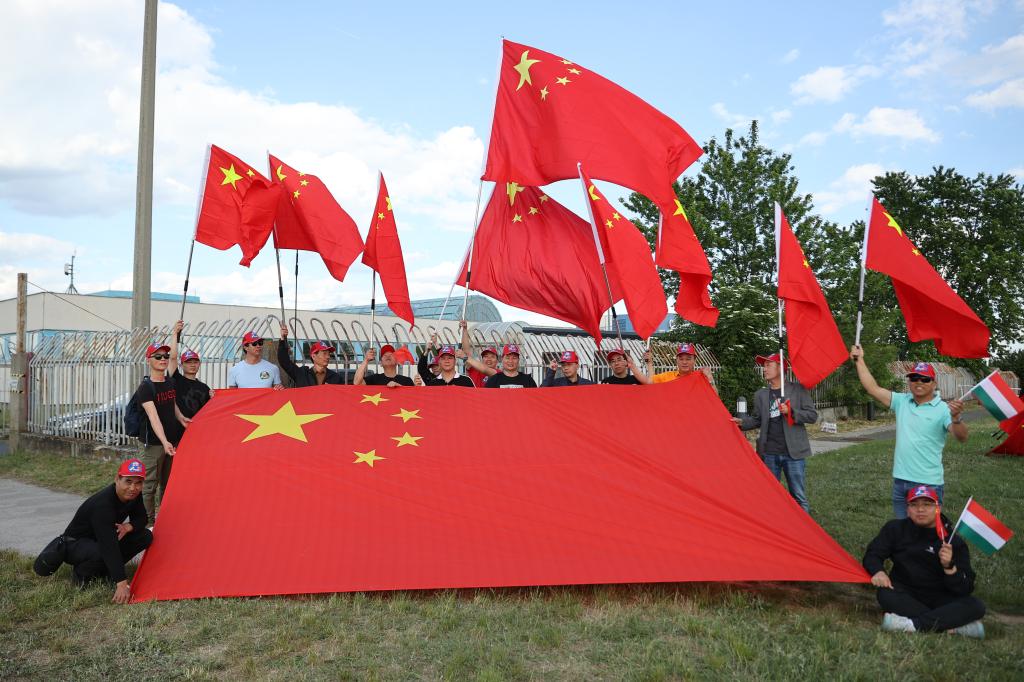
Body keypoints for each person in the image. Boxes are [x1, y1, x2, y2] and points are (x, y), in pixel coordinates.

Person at [850, 346, 968, 518]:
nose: (918, 382)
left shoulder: (943, 409)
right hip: (900, 481)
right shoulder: (901, 401)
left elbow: (962, 436)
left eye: (924, 379)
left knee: (926, 535)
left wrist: (956, 417)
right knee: (903, 532)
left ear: (934, 384)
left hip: (928, 483)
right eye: (914, 378)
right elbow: (873, 388)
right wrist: (859, 360)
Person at [863, 485, 986, 637]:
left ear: (937, 508)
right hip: (905, 593)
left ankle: (911, 624)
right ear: (907, 509)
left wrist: (949, 567)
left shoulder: (953, 541)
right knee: (885, 594)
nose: (920, 510)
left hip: (941, 596)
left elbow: (965, 588)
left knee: (976, 606)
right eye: (914, 505)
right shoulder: (895, 529)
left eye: (927, 504)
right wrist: (879, 572)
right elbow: (872, 554)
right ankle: (951, 627)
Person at [50, 458, 152, 603]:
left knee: (145, 536)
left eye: (138, 483)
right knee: (104, 550)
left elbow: (142, 518)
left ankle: (105, 571)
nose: (133, 488)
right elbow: (108, 545)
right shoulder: (103, 504)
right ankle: (82, 573)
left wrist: (127, 527)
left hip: (100, 539)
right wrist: (122, 583)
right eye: (128, 481)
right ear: (117, 479)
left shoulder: (134, 494)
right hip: (74, 545)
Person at [733, 353, 817, 513]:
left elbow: (812, 416)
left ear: (780, 368)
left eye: (768, 365)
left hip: (793, 453)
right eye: (763, 366)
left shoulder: (798, 390)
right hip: (769, 453)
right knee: (770, 496)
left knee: (798, 496)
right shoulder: (761, 395)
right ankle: (777, 530)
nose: (764, 369)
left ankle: (803, 532)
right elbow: (758, 420)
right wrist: (742, 423)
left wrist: (791, 412)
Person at [136, 342, 190, 526]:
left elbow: (171, 404)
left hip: (171, 442)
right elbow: (153, 417)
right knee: (149, 485)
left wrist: (181, 418)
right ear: (149, 359)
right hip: (153, 444)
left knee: (168, 485)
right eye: (158, 357)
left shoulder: (169, 382)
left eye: (165, 356)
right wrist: (164, 441)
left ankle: (165, 520)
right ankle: (148, 523)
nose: (163, 360)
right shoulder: (145, 387)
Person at [167, 320, 212, 419]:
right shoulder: (176, 379)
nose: (192, 365)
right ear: (182, 365)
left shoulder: (204, 388)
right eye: (188, 362)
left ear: (199, 364)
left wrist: (215, 399)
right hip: (177, 429)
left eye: (195, 362)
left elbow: (210, 412)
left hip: (196, 429)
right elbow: (172, 358)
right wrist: (175, 333)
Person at [277, 325, 345, 386]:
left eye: (328, 354)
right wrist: (283, 339)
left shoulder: (336, 378)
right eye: (324, 353)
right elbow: (284, 361)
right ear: (313, 356)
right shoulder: (302, 374)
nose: (328, 357)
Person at [647, 342, 716, 389]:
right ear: (677, 360)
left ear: (694, 360)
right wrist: (649, 362)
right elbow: (650, 381)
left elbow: (715, 397)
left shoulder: (701, 378)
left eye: (688, 359)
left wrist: (710, 378)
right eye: (681, 359)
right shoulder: (668, 377)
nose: (684, 362)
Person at [459, 320, 499, 388]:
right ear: (482, 359)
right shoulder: (475, 370)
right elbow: (467, 353)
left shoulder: (499, 374)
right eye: (486, 356)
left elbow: (467, 357)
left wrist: (465, 357)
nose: (489, 359)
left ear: (497, 361)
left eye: (492, 356)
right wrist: (465, 329)